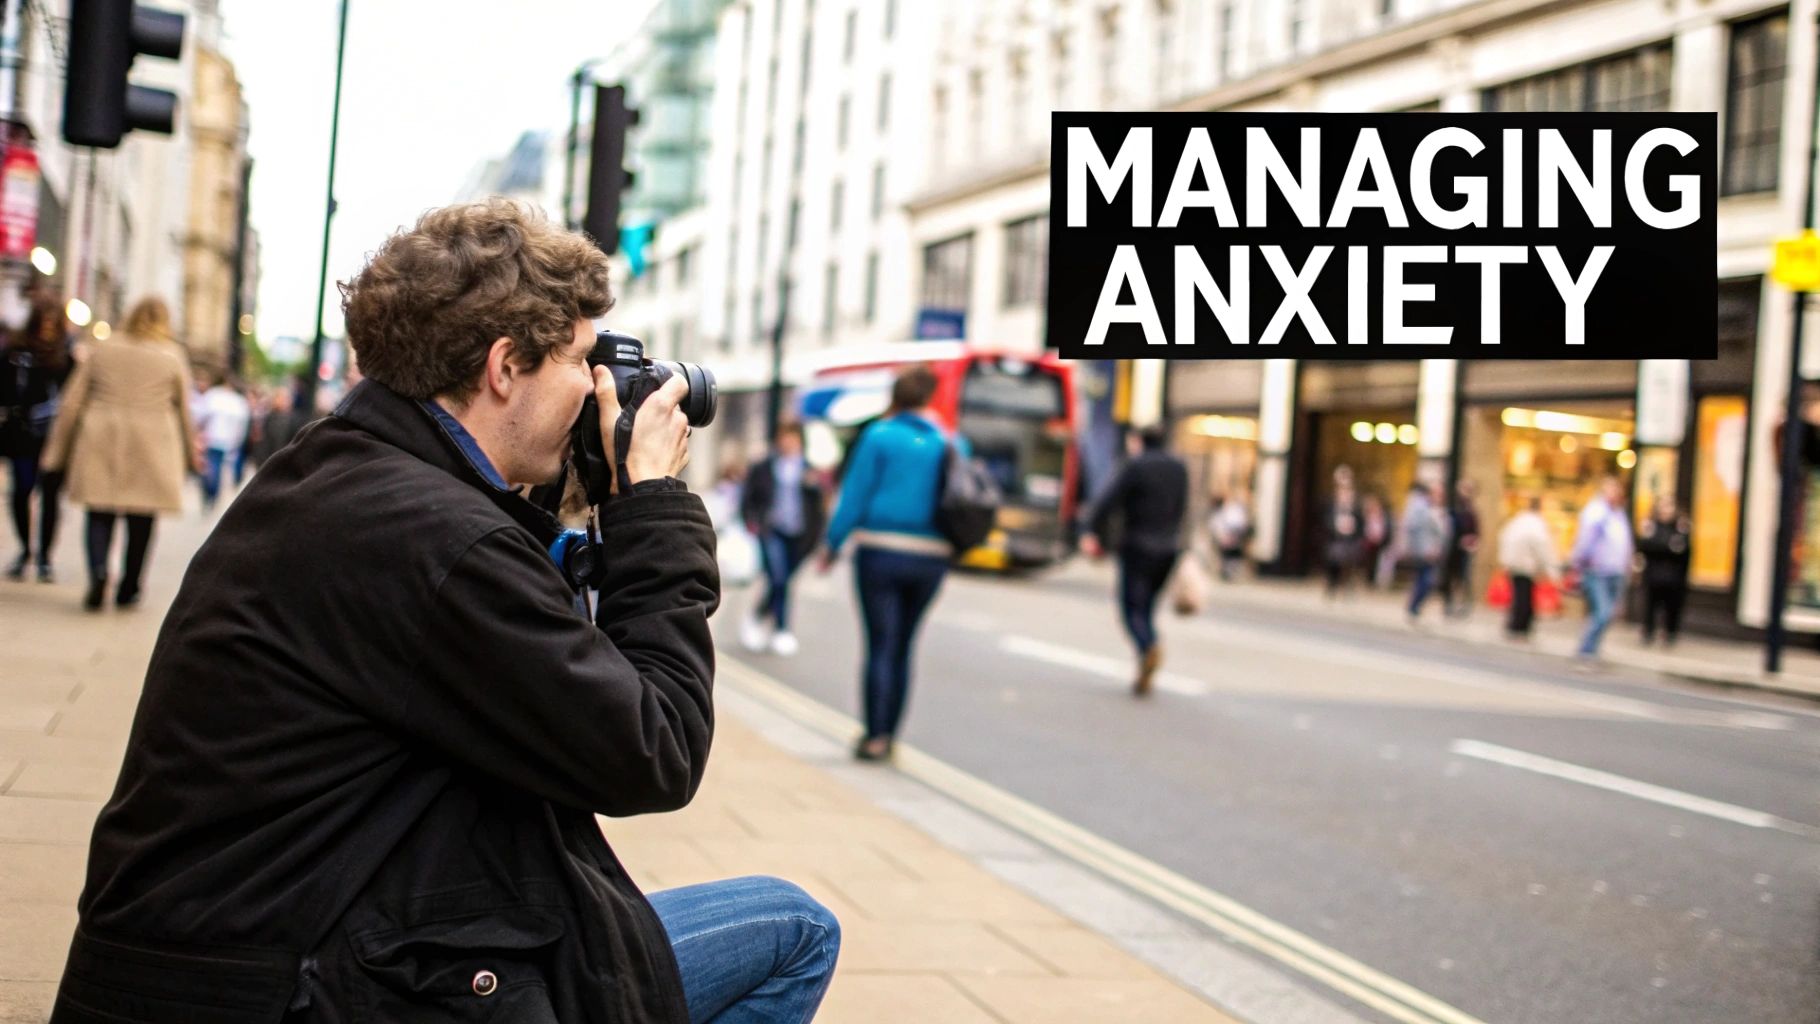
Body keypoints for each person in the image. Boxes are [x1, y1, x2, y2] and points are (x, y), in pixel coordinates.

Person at [51, 200, 838, 1024]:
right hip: (297, 981)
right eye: (579, 359)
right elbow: (656, 748)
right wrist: (652, 507)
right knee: (794, 932)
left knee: (732, 927)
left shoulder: (345, 474)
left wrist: (590, 494)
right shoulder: (434, 541)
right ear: (504, 367)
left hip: (261, 945)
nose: (597, 385)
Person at [820, 364, 959, 760]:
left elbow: (855, 495)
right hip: (931, 558)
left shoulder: (879, 436)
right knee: (904, 645)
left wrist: (832, 544)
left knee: (880, 643)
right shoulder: (949, 441)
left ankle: (874, 734)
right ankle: (891, 735)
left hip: (881, 552)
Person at [41, 297, 201, 611]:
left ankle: (99, 571)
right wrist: (190, 455)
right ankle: (130, 585)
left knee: (99, 512)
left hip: (102, 435)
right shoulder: (172, 356)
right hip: (153, 441)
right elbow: (184, 410)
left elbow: (72, 401)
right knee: (142, 518)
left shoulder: (104, 348)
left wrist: (56, 451)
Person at [1081, 426, 1190, 696]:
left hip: (1137, 546)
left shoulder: (1135, 466)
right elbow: (1182, 508)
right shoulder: (1179, 469)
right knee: (1148, 605)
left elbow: (1107, 501)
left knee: (1131, 606)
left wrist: (1091, 531)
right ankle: (1147, 652)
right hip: (1168, 548)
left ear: (1139, 441)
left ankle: (1147, 646)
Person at [1, 288, 74, 582]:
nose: (47, 327)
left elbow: (72, 398)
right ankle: (24, 549)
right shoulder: (15, 352)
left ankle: (44, 555)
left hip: (54, 437)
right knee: (21, 491)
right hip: (21, 434)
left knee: (51, 497)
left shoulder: (66, 357)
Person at [739, 420, 826, 656]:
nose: (788, 442)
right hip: (771, 530)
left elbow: (818, 507)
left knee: (783, 581)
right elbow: (748, 498)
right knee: (778, 579)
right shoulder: (764, 466)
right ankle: (782, 630)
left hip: (799, 535)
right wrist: (752, 522)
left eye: (793, 437)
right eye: (784, 437)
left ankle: (756, 617)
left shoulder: (809, 469)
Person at [1569, 475, 1636, 664]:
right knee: (1602, 612)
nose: (1615, 494)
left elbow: (1625, 542)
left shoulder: (1619, 514)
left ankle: (1593, 648)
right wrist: (1579, 564)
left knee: (1608, 613)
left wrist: (1628, 565)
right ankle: (1586, 650)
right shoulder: (1597, 513)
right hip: (1597, 570)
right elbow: (1585, 540)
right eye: (1610, 490)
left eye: (1617, 490)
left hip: (1616, 570)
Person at [1497, 495, 1558, 639]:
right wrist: (1551, 570)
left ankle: (1516, 625)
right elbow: (1542, 547)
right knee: (1524, 597)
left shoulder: (1518, 521)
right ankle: (1520, 626)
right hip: (1527, 565)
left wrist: (1505, 561)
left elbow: (1504, 538)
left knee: (1518, 596)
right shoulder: (1536, 524)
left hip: (1515, 563)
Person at [1637, 493, 1692, 646]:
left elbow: (1683, 552)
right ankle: (1648, 633)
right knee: (1651, 606)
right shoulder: (1651, 527)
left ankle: (1670, 634)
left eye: (1669, 506)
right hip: (1653, 576)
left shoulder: (1680, 527)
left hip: (1674, 577)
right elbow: (1645, 548)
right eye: (1663, 506)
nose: (1666, 510)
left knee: (1672, 607)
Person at [195, 372, 252, 510]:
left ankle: (210, 491)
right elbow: (242, 425)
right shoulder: (238, 401)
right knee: (217, 467)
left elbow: (201, 416)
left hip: (213, 438)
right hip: (224, 440)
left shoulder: (213, 396)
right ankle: (212, 493)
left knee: (210, 466)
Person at [1399, 481, 1449, 626]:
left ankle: (1414, 607)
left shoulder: (1438, 510)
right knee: (1426, 580)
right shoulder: (1421, 509)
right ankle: (1413, 607)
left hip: (1434, 552)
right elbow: (1413, 529)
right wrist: (1416, 548)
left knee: (1425, 579)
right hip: (1424, 552)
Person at [1320, 466, 1363, 598]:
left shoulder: (1355, 504)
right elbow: (1326, 519)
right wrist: (1335, 527)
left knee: (1349, 564)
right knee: (1334, 562)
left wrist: (1354, 529)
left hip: (1350, 538)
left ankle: (1347, 588)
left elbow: (1361, 521)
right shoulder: (1332, 502)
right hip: (1336, 537)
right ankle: (1332, 586)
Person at [1441, 478, 1482, 617]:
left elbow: (1476, 530)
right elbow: (1449, 529)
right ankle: (1449, 603)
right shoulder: (1454, 508)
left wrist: (1473, 541)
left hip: (1465, 550)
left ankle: (1463, 605)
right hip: (1452, 549)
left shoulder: (1471, 510)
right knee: (1451, 577)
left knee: (1464, 578)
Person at [1209, 489, 1251, 582]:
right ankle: (1227, 570)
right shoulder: (1224, 510)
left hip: (1234, 533)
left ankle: (1231, 570)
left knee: (1233, 553)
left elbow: (1241, 524)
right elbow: (1217, 524)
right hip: (1227, 534)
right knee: (1228, 553)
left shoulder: (1236, 510)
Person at [1360, 491, 1390, 589]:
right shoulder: (1366, 515)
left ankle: (1375, 580)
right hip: (1369, 542)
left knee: (1379, 562)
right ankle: (1369, 580)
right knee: (1369, 562)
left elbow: (1385, 528)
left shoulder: (1383, 515)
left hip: (1380, 542)